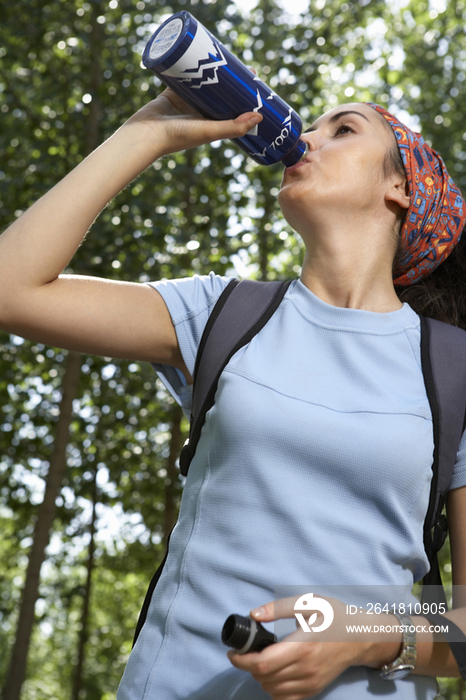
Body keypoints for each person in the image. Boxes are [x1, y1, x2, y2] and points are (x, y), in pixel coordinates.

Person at [0, 85, 465, 700]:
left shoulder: (453, 368)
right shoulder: (223, 312)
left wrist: (363, 634)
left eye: (342, 130)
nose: (306, 137)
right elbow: (11, 288)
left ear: (400, 188)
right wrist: (149, 132)